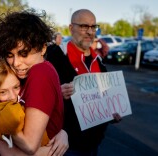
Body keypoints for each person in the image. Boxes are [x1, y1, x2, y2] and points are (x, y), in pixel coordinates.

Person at [0, 10, 69, 156]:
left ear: (43, 48)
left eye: (24, 53)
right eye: (9, 55)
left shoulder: (40, 73)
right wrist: (62, 131)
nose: (16, 63)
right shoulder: (26, 73)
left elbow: (30, 145)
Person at [46, 9, 121, 156]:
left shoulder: (99, 63)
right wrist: (57, 92)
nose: (90, 32)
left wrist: (113, 113)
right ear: (71, 28)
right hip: (65, 146)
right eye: (84, 26)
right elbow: (36, 93)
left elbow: (105, 99)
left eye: (93, 27)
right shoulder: (55, 56)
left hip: (95, 144)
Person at [0, 58, 51, 156]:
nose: (13, 96)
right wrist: (53, 149)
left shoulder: (19, 102)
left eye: (16, 87)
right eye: (3, 92)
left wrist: (61, 133)